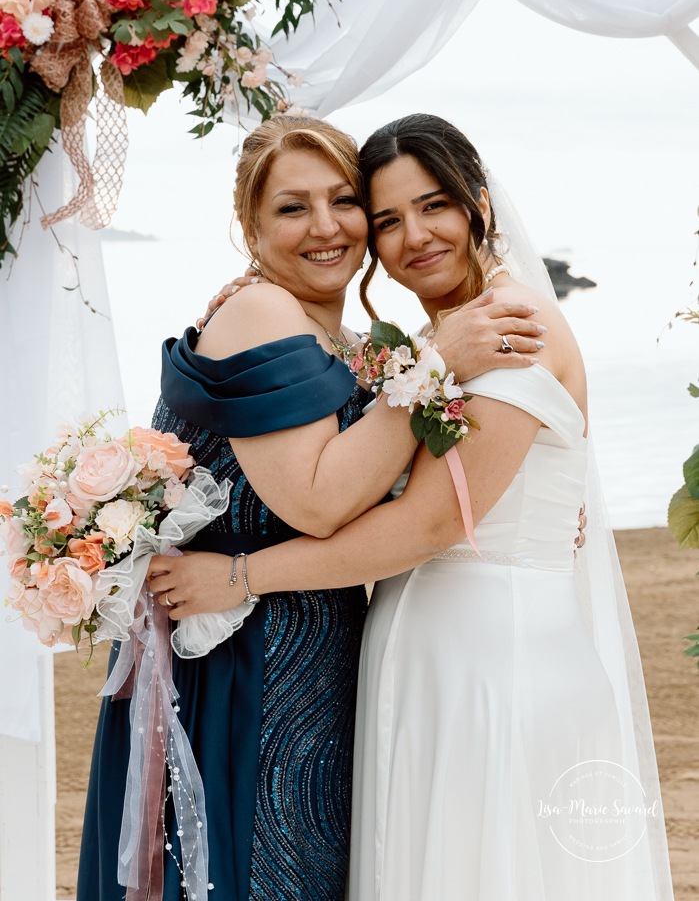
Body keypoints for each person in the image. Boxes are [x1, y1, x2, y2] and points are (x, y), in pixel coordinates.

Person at [155, 114, 674, 900]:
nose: (414, 236)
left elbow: (429, 523)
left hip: (491, 658)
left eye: (433, 206)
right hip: (426, 651)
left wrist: (240, 575)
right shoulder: (444, 338)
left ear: (478, 206)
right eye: (389, 218)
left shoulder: (510, 326)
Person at [78, 115, 545, 901]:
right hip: (242, 658)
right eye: (292, 208)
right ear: (251, 228)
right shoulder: (261, 313)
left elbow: (383, 482)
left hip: (316, 644)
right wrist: (436, 362)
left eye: (344, 201)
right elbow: (320, 503)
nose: (325, 227)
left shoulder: (346, 341)